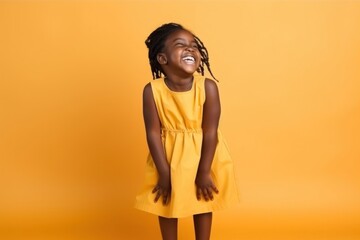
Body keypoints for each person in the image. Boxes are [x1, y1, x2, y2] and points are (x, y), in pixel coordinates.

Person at [134, 23, 239, 240]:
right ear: (162, 59)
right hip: (168, 155)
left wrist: (204, 171)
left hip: (204, 154)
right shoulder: (152, 91)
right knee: (166, 200)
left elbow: (211, 132)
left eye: (194, 46)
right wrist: (164, 173)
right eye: (181, 45)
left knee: (202, 199)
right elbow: (153, 133)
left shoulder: (208, 87)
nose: (191, 49)